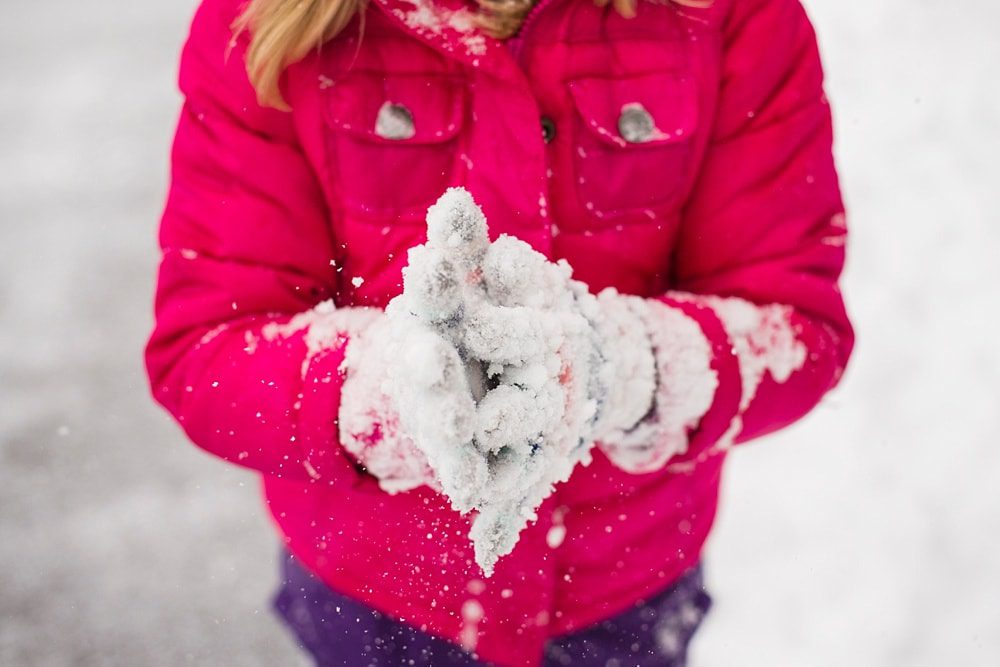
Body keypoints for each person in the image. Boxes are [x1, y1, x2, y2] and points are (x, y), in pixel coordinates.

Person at [145, 0, 854, 664]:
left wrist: (615, 368)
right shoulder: (259, 22)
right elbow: (208, 348)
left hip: (622, 591)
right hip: (374, 602)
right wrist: (397, 390)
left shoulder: (734, 16)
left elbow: (792, 325)